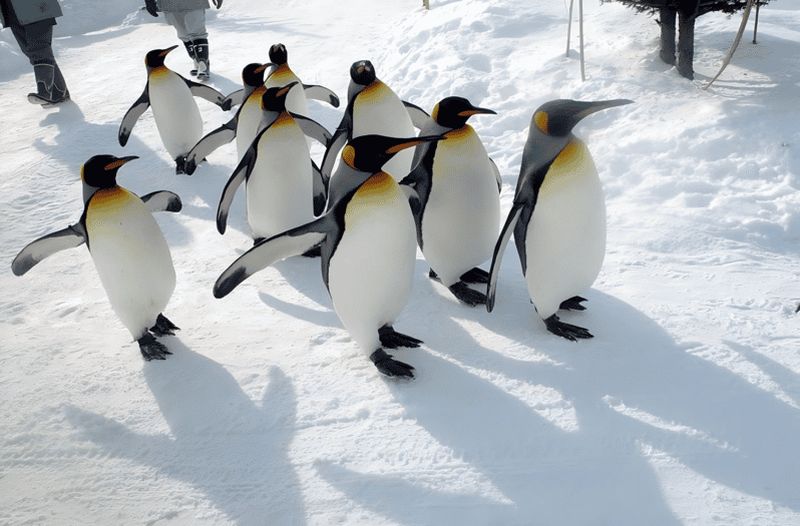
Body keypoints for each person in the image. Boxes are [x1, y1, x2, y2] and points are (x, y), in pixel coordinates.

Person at [0, 0, 70, 105]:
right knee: (29, 50)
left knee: (38, 47)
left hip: (36, 6)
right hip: (10, 9)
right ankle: (59, 92)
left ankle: (44, 92)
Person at [144, 0, 222, 81]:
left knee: (197, 32)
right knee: (183, 33)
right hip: (168, 4)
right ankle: (196, 60)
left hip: (194, 3)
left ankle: (203, 64)